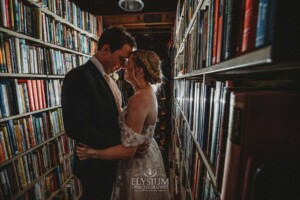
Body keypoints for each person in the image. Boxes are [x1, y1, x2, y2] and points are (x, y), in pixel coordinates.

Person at [76, 50, 170, 200]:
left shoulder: (138, 100)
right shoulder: (148, 93)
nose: (124, 67)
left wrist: (92, 153)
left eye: (128, 64)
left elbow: (128, 152)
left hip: (137, 166)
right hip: (147, 158)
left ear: (138, 70)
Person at [61, 27, 137, 200]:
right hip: (95, 167)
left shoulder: (109, 78)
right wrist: (122, 144)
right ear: (105, 49)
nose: (124, 65)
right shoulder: (78, 77)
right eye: (122, 58)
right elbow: (75, 127)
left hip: (111, 161)